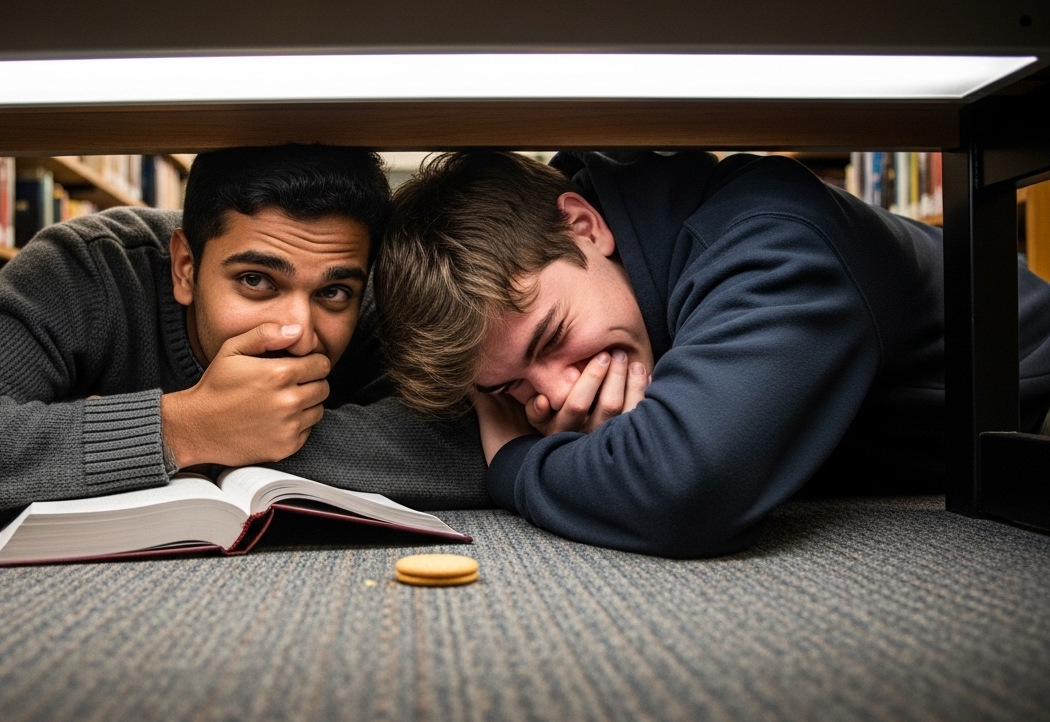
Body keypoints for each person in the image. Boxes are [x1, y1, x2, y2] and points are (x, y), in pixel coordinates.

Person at [376, 150, 1050, 558]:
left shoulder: (772, 235)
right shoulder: (606, 294)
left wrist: (516, 462)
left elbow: (687, 488)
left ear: (585, 226)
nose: (555, 395)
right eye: (512, 392)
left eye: (552, 339)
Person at [0, 145, 486, 529]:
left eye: (332, 292)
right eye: (256, 280)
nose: (295, 329)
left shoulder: (369, 300)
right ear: (186, 267)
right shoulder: (85, 265)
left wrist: (248, 435)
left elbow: (477, 438)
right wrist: (185, 429)